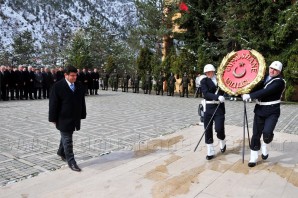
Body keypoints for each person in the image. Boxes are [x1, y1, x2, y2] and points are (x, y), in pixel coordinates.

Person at [242, 61, 286, 167]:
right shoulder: (264, 77)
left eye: (275, 70)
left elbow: (266, 91)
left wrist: (250, 96)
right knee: (256, 134)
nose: (272, 71)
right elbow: (256, 88)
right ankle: (253, 157)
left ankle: (265, 145)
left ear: (279, 72)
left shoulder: (279, 82)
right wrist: (245, 91)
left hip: (272, 111)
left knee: (267, 133)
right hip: (259, 110)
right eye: (271, 68)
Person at [49, 65, 87, 172]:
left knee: (66, 136)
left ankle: (61, 152)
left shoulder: (79, 86)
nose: (74, 78)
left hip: (74, 117)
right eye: (72, 76)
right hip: (62, 118)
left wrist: (82, 114)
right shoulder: (57, 86)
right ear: (65, 75)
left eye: (76, 75)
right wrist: (52, 118)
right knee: (68, 139)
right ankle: (71, 161)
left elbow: (82, 102)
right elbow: (53, 104)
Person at [200, 64, 226, 160]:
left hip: (219, 107)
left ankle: (222, 140)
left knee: (219, 128)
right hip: (209, 106)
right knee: (208, 129)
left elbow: (227, 89)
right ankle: (210, 150)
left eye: (209, 72)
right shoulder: (204, 81)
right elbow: (206, 93)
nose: (208, 74)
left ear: (213, 71)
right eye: (206, 72)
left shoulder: (221, 80)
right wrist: (217, 96)